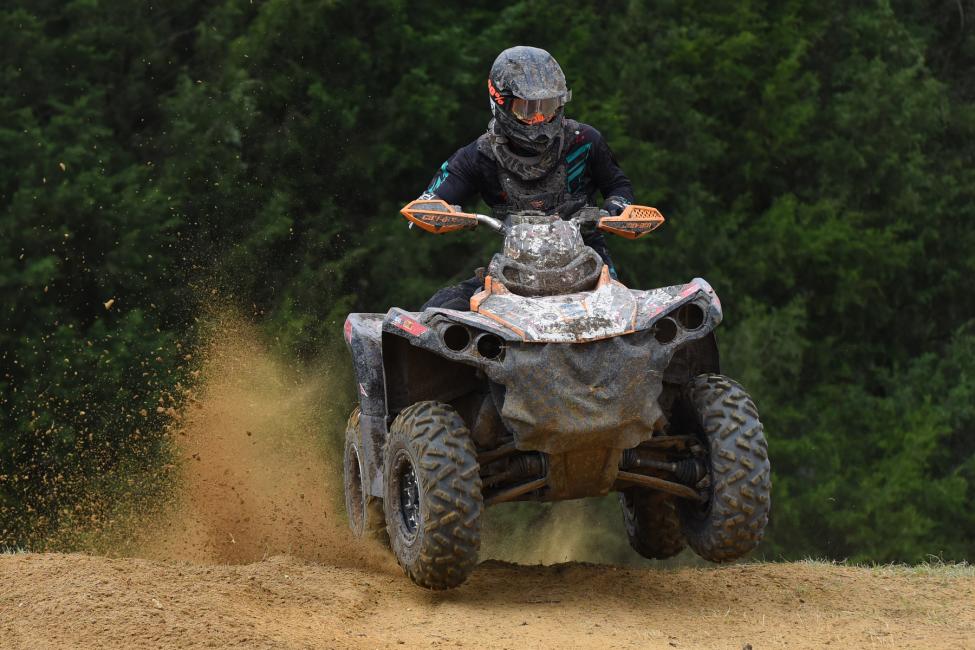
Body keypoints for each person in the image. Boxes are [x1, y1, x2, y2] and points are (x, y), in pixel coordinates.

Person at [417, 45, 636, 310]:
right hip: (517, 264)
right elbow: (429, 201)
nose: (541, 118)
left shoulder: (585, 141)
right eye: (528, 109)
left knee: (627, 315)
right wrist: (439, 210)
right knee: (438, 312)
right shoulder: (479, 155)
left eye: (549, 106)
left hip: (587, 257)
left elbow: (618, 185)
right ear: (500, 103)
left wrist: (617, 207)